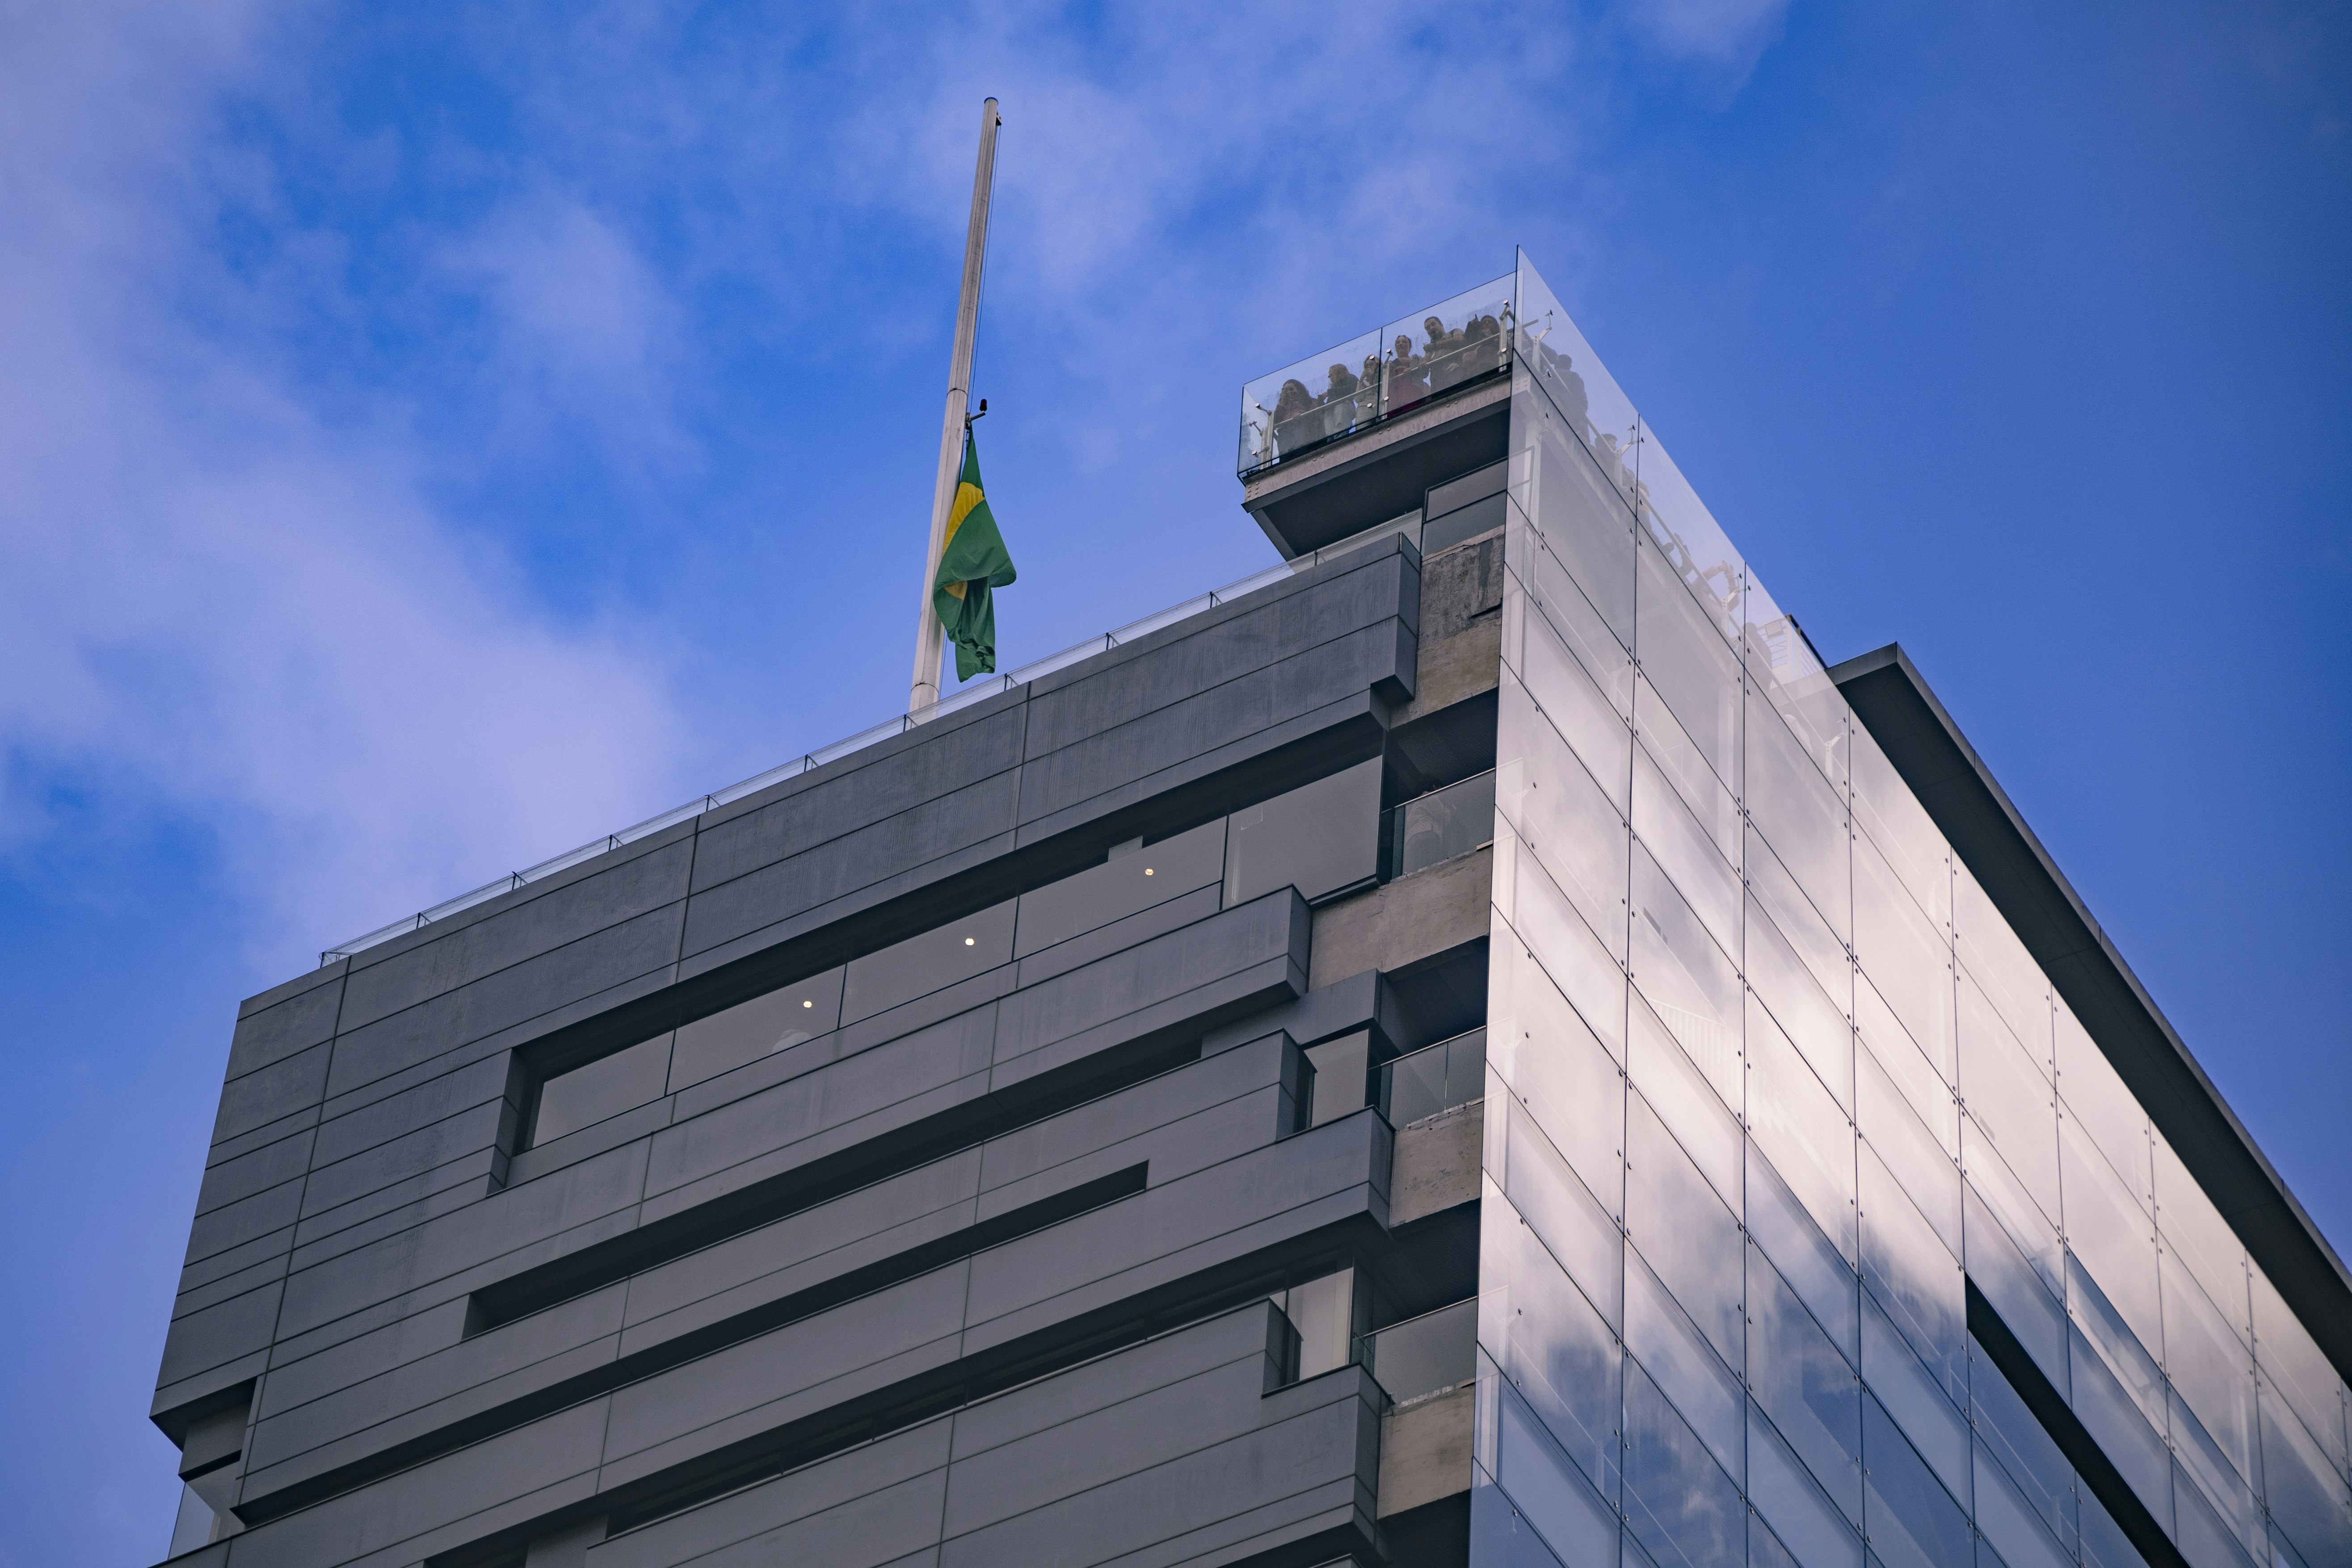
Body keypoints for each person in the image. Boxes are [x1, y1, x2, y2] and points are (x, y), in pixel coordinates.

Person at [1271, 377, 1315, 458]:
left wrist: (1302, 414)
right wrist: (1282, 404)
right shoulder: (1282, 408)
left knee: (1300, 450)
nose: (1289, 393)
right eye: (1286, 391)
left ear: (1299, 390)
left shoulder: (1309, 402)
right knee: (1285, 455)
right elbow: (1275, 422)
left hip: (1301, 428)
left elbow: (1315, 414)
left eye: (1292, 389)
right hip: (1285, 433)